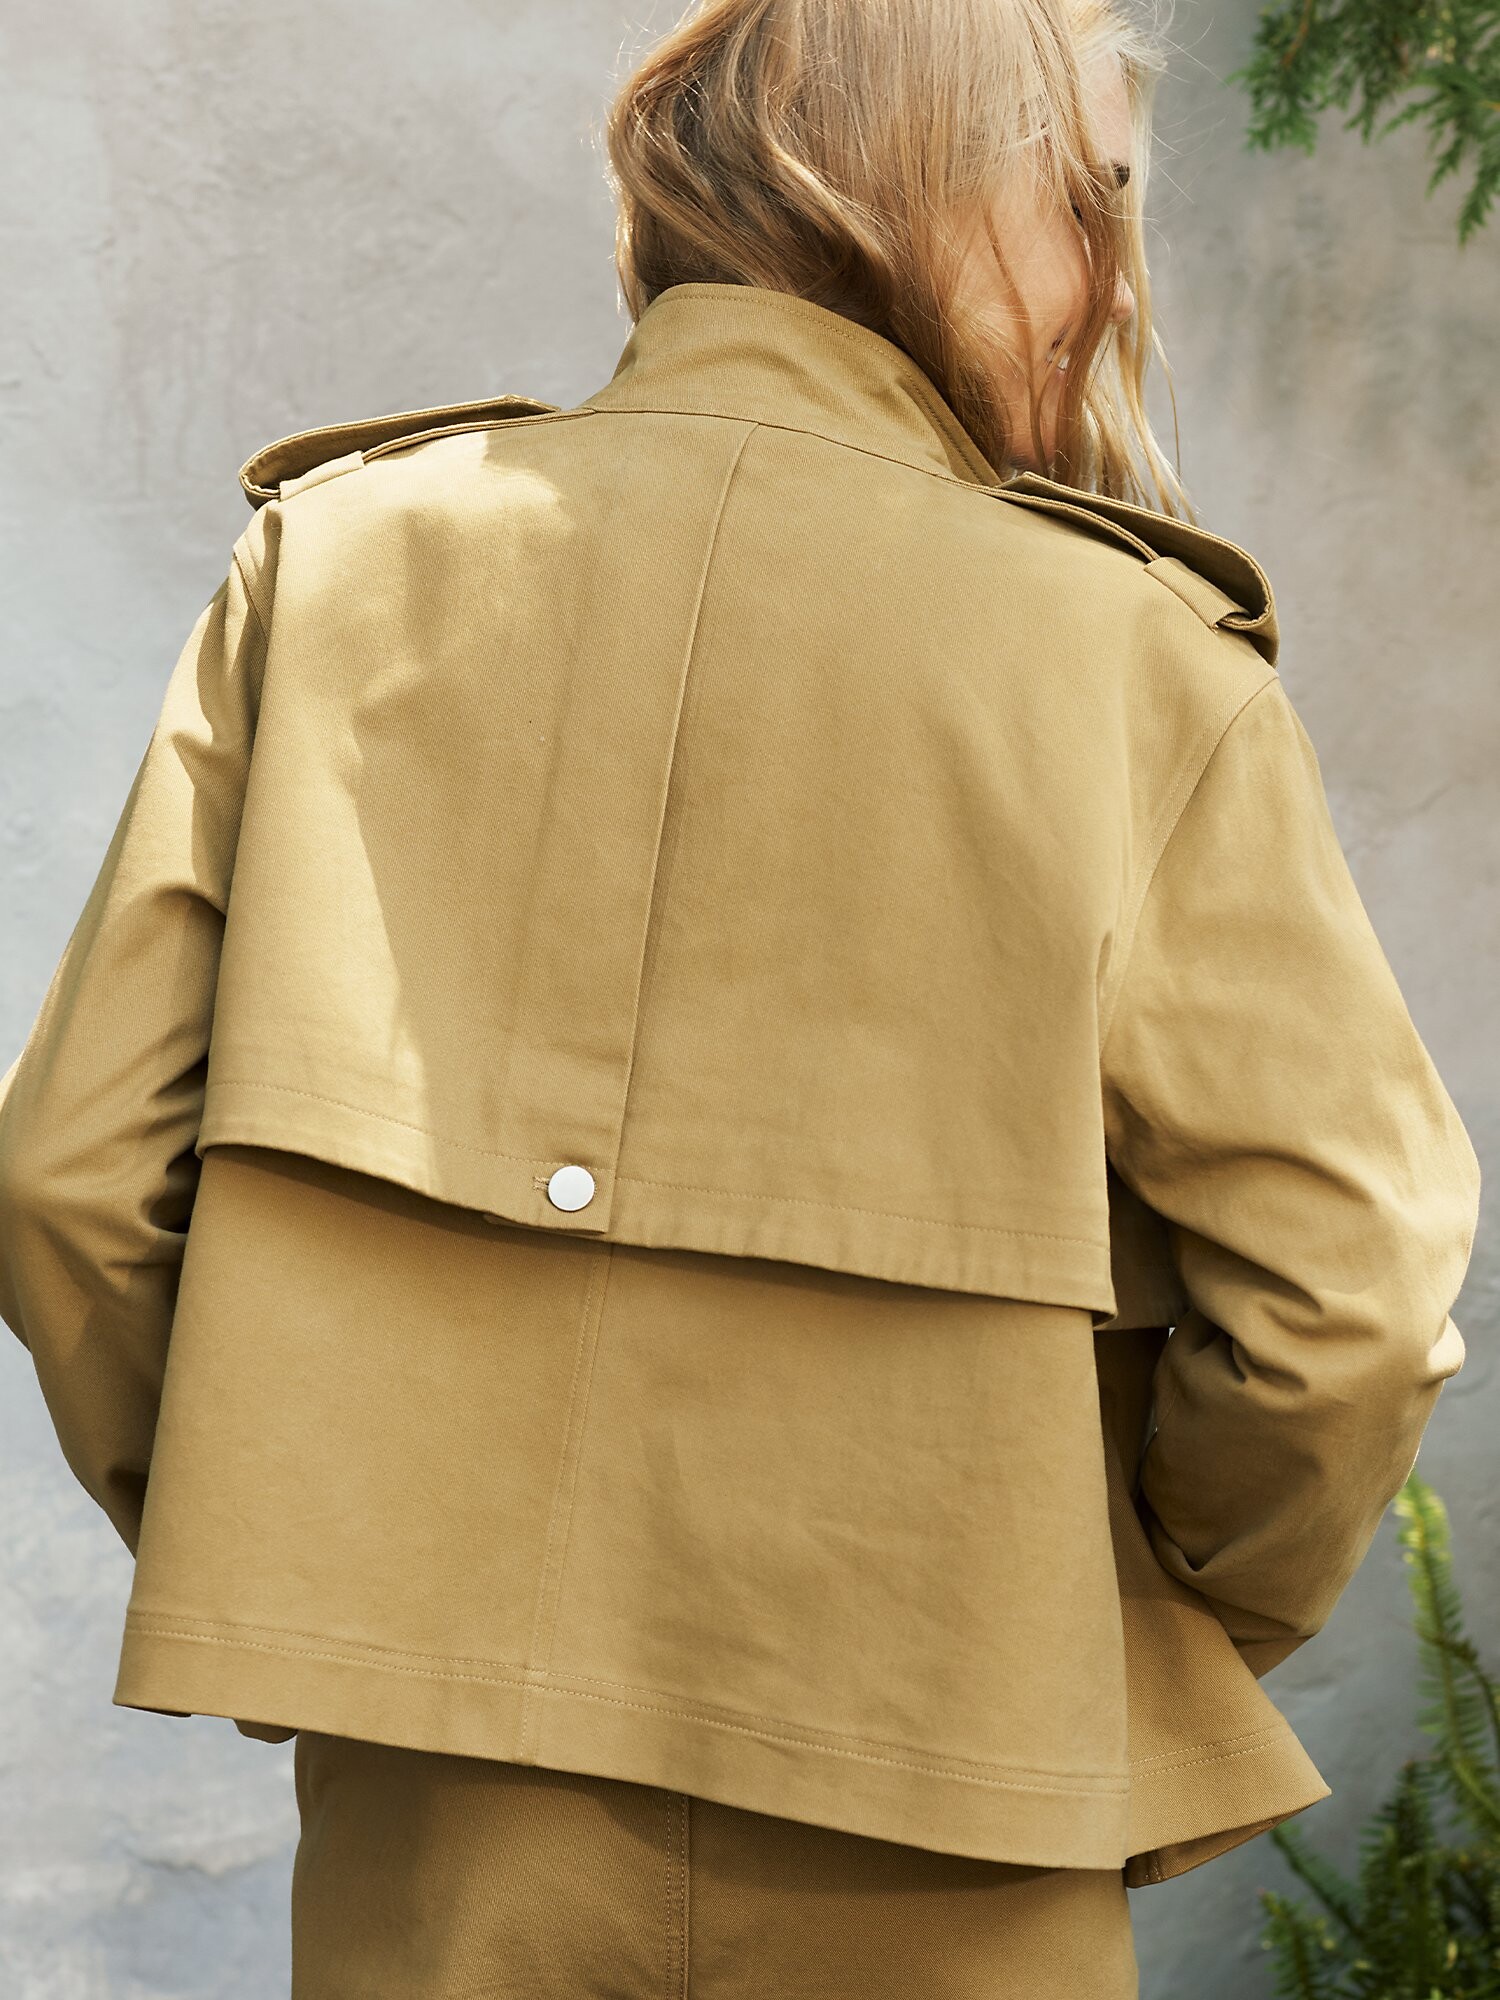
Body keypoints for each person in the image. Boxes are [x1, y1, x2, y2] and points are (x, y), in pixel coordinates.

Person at [0, 0, 1481, 1993]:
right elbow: (1348, 1291)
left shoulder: (332, 571)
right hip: (961, 1777)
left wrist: (326, 1543)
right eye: (1088, 200)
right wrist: (1138, 1621)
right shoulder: (1132, 660)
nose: (1113, 277)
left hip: (449, 1803)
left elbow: (71, 1179)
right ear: (940, 201)